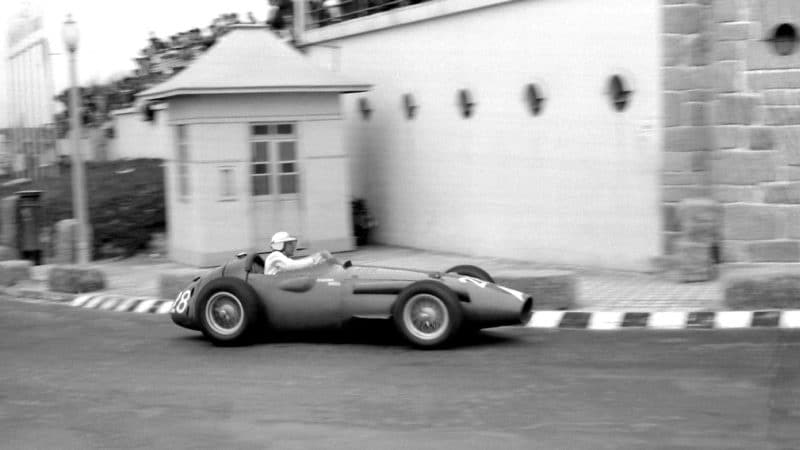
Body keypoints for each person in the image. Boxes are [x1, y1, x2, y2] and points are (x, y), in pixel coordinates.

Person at [264, 231, 331, 275]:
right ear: (280, 245)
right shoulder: (274, 256)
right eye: (289, 244)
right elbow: (292, 265)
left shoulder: (281, 258)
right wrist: (314, 259)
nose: (292, 246)